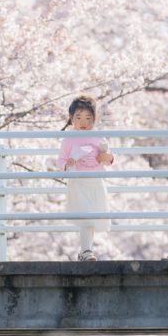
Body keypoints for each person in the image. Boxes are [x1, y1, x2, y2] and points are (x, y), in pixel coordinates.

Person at [57, 95, 114, 261]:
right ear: (71, 118)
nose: (84, 122)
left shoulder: (98, 137)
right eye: (79, 117)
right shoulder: (69, 139)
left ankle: (85, 251)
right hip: (78, 182)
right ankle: (86, 251)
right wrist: (68, 163)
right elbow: (60, 161)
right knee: (85, 215)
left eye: (88, 118)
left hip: (95, 182)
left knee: (92, 217)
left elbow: (109, 157)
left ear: (94, 119)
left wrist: (107, 158)